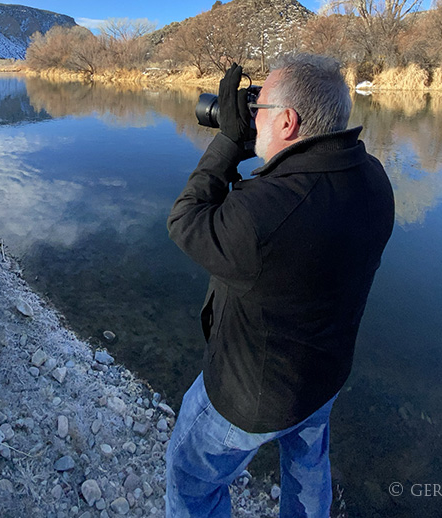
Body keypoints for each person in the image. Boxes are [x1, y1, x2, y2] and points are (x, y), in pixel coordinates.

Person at [165, 53, 395, 518]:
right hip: (322, 380)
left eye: (259, 109)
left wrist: (229, 141)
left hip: (246, 397)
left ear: (288, 120)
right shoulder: (374, 179)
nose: (252, 119)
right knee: (307, 474)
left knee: (190, 479)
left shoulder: (263, 214)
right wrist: (268, 146)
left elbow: (185, 220)